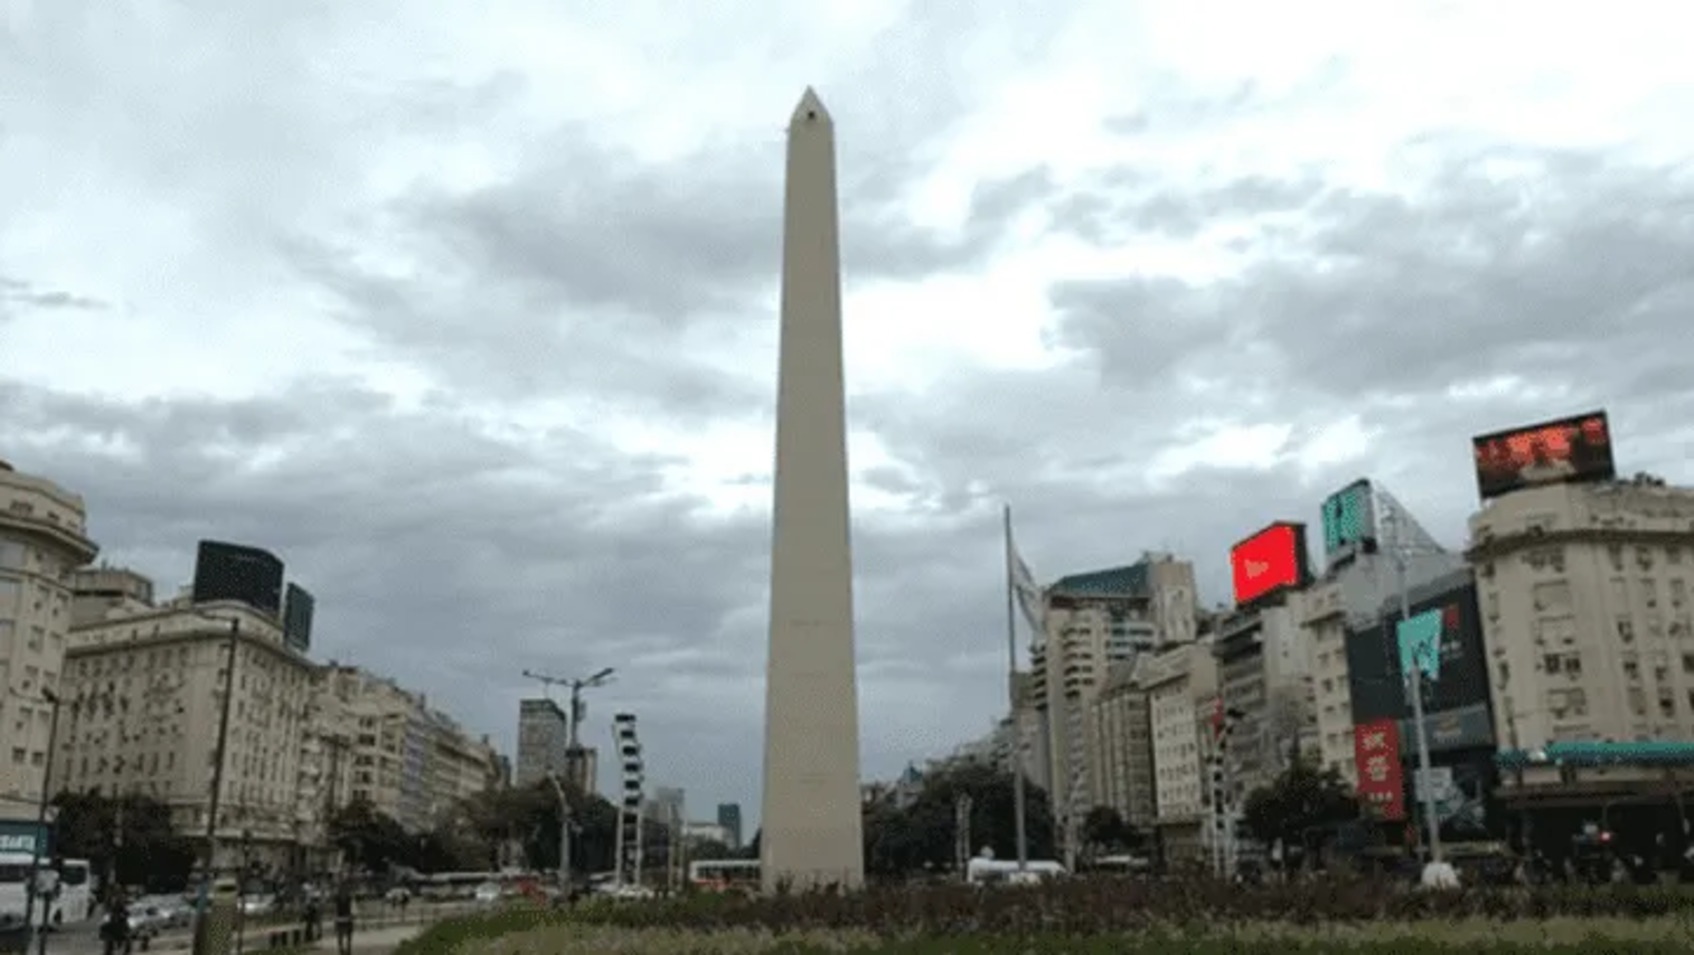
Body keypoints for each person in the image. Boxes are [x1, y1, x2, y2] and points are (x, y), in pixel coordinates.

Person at [100, 889, 131, 955]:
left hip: (119, 922)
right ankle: (109, 949)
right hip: (113, 923)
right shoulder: (109, 903)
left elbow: (125, 912)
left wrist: (124, 915)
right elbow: (107, 911)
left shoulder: (120, 903)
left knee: (126, 934)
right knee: (109, 937)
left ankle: (120, 947)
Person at [333, 883, 355, 955]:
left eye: (345, 889)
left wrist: (352, 915)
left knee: (349, 934)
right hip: (340, 918)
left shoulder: (349, 898)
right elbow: (335, 909)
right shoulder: (337, 899)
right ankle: (341, 948)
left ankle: (348, 948)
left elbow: (352, 907)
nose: (343, 891)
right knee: (340, 935)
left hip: (347, 917)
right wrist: (335, 918)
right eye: (342, 889)